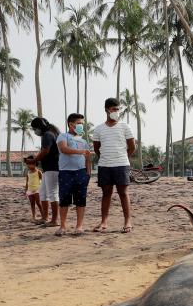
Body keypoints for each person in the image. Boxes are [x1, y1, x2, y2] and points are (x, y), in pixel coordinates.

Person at [91, 97, 137, 233]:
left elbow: (132, 147)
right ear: (107, 110)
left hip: (122, 164)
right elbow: (96, 148)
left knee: (123, 193)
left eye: (118, 109)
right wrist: (106, 157)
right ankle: (104, 222)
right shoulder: (99, 129)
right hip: (104, 165)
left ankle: (127, 221)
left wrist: (123, 158)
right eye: (114, 109)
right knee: (106, 193)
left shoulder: (125, 127)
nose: (116, 112)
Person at [55, 113, 92, 236]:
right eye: (79, 123)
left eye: (82, 123)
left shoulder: (84, 141)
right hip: (66, 173)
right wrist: (80, 151)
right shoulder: (63, 136)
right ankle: (63, 226)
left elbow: (88, 158)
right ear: (71, 124)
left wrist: (88, 173)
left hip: (81, 173)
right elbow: (64, 149)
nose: (81, 126)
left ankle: (79, 226)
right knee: (64, 199)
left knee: (81, 199)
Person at [30, 117, 60, 227]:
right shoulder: (51, 133)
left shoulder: (47, 135)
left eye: (35, 129)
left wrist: (35, 160)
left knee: (52, 193)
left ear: (39, 127)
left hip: (53, 167)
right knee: (43, 192)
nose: (35, 131)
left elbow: (45, 151)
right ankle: (45, 217)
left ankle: (55, 220)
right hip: (49, 168)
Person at [24, 156, 43, 221]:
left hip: (37, 190)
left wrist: (42, 189)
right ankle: (34, 216)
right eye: (27, 164)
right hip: (30, 190)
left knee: (39, 203)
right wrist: (26, 190)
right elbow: (27, 182)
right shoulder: (28, 173)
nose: (29, 166)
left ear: (35, 164)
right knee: (32, 203)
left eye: (30, 164)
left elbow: (42, 181)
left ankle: (43, 216)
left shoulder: (38, 172)